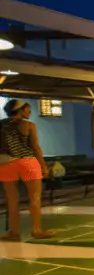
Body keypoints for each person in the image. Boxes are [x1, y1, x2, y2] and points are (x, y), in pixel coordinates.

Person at [0, 100, 54, 241]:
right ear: (19, 110)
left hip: (6, 163)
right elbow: (35, 147)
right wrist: (43, 165)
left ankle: (14, 232)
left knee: (12, 200)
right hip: (27, 162)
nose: (29, 112)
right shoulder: (28, 125)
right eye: (27, 110)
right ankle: (36, 230)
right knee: (34, 198)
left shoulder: (1, 125)